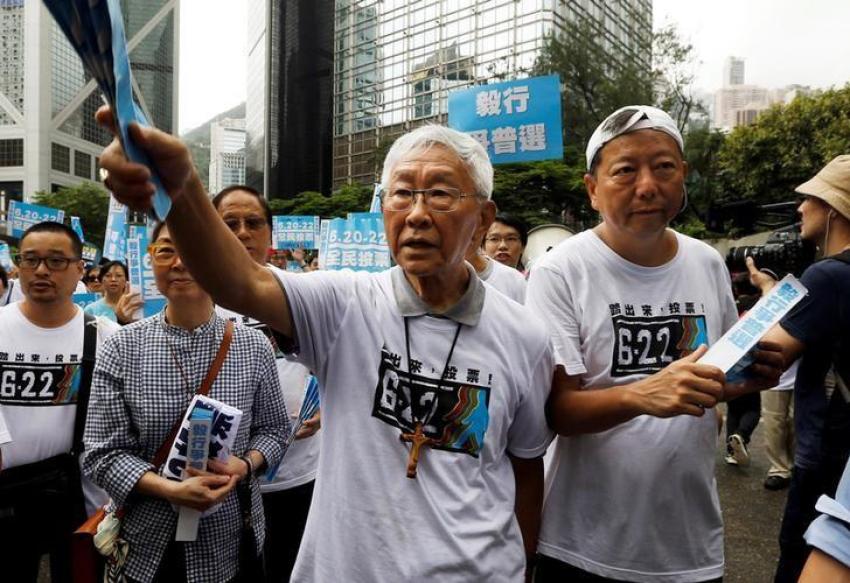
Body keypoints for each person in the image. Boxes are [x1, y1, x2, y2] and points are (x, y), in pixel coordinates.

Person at [97, 109, 555, 582]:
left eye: (439, 194)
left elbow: (524, 465)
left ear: (483, 217)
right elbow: (241, 283)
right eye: (402, 193)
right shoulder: (344, 304)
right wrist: (181, 187)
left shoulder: (527, 337)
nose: (416, 214)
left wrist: (523, 562)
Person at [526, 105, 783, 583]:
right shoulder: (560, 271)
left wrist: (746, 377)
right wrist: (642, 394)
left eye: (663, 167)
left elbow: (710, 380)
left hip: (689, 541)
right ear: (592, 189)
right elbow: (556, 412)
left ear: (682, 176)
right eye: (625, 170)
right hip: (583, 545)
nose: (647, 185)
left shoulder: (705, 262)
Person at [83, 221, 290, 583]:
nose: (180, 261)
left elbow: (274, 430)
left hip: (230, 538)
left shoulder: (254, 346)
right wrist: (170, 489)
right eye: (165, 250)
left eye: (194, 248)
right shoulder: (121, 347)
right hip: (146, 541)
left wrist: (243, 466)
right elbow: (101, 453)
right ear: (151, 262)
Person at [747, 154, 850, 583]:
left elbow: (762, 354)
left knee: (803, 554)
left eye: (809, 198)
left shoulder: (828, 275)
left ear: (833, 209)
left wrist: (768, 294)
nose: (800, 208)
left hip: (828, 453)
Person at [211, 184, 321, 582]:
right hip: (221, 478)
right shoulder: (196, 298)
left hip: (299, 474)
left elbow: (341, 365)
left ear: (270, 234)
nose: (242, 233)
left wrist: (326, 409)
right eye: (230, 223)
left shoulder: (306, 296)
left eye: (253, 223)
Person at [0, 221, 120, 583]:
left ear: (80, 269)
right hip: (6, 495)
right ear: (17, 266)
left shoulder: (104, 336)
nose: (40, 271)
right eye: (31, 260)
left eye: (55, 261)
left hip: (78, 499)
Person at [466, 232, 527, 303]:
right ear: (483, 246)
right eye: (494, 239)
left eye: (511, 239)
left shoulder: (517, 280)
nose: (502, 246)